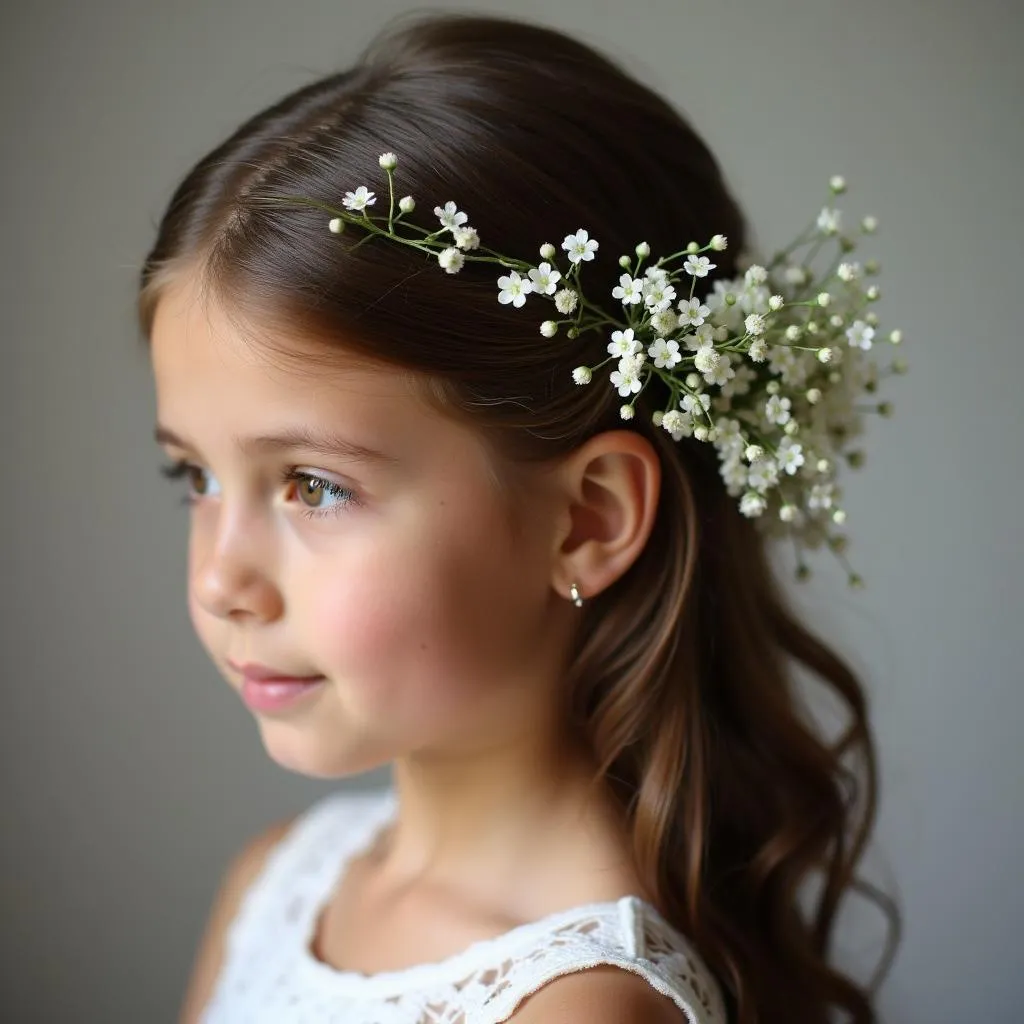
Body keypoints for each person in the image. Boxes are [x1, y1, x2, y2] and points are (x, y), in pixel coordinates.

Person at [139, 11, 901, 1023]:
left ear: (586, 518)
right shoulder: (276, 884)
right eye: (193, 476)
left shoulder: (580, 1006)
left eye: (314, 485)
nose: (218, 581)